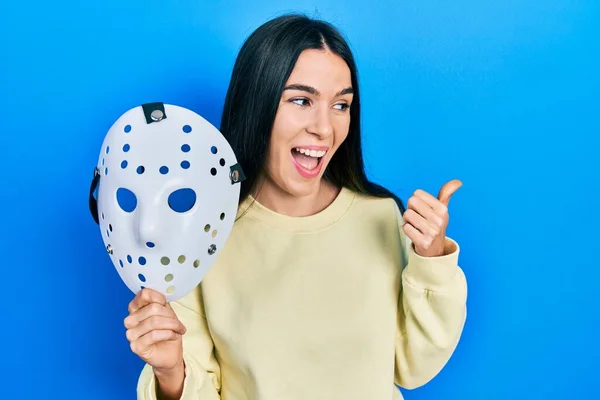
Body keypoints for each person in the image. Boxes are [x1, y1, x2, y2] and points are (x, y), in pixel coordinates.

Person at [125, 13, 468, 400]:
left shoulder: (380, 216)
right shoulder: (205, 236)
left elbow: (413, 365)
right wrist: (171, 372)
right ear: (257, 103)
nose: (324, 127)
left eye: (341, 105)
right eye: (302, 100)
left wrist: (432, 259)